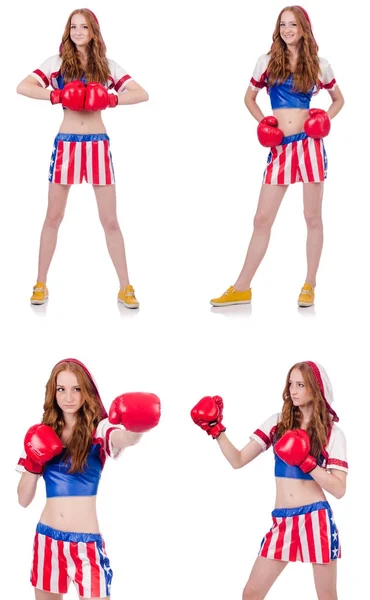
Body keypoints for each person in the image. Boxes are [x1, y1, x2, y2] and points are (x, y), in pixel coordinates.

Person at [210, 6, 344, 308]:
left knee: (311, 217)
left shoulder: (320, 65)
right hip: (280, 147)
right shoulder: (267, 61)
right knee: (262, 218)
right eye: (282, 24)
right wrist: (262, 122)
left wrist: (325, 119)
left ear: (303, 28)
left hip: (309, 144)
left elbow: (339, 99)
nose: (287, 29)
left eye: (293, 24)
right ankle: (242, 287)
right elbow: (249, 98)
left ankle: (309, 284)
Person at [16, 8, 149, 308]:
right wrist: (56, 95)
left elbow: (142, 94)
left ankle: (125, 287)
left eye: (83, 27)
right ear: (68, 31)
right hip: (67, 144)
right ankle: (40, 283)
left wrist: (112, 98)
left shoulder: (107, 67)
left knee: (110, 220)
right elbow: (23, 86)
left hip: (98, 145)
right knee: (53, 216)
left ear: (93, 32)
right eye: (73, 27)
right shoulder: (57, 63)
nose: (78, 32)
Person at [191, 361, 348, 599]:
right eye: (291, 384)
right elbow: (239, 460)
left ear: (315, 389)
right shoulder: (278, 424)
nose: (293, 391)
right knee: (252, 593)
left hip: (316, 519)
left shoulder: (332, 432)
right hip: (282, 520)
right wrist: (216, 430)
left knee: (327, 596)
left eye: (300, 384)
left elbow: (339, 489)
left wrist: (306, 461)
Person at [16, 358, 161, 598]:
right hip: (47, 539)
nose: (68, 397)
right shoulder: (40, 433)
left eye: (76, 389)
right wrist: (33, 462)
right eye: (61, 389)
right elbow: (23, 499)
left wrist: (137, 426)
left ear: (86, 392)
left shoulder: (99, 429)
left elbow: (124, 439)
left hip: (87, 545)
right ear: (53, 392)